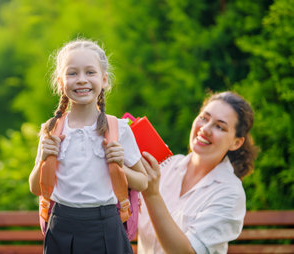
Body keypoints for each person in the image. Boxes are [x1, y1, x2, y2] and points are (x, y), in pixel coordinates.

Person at [29, 38, 148, 254]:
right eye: (72, 73)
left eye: (90, 72)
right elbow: (35, 187)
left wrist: (121, 165)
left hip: (107, 226)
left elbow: (143, 182)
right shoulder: (52, 129)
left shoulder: (119, 129)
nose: (81, 80)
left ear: (104, 80)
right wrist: (45, 159)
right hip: (62, 227)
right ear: (60, 82)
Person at [136, 91, 258, 254]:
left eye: (219, 126)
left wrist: (152, 195)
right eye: (204, 118)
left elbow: (186, 252)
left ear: (236, 142)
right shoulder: (167, 166)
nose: (205, 129)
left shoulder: (230, 193)